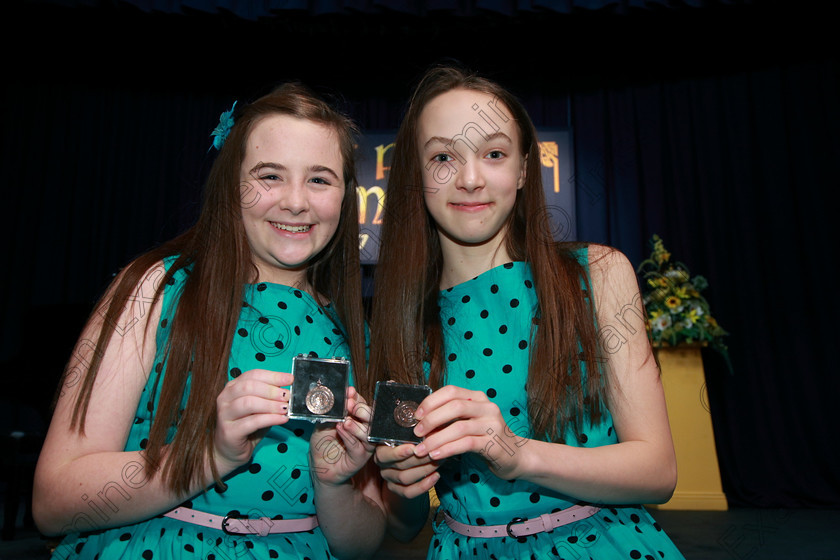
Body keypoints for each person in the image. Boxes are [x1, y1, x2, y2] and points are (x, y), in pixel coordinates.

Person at [33, 83, 385, 559]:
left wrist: (335, 483)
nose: (296, 201)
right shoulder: (156, 290)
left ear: (347, 195)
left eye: (320, 179)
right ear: (230, 184)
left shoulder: (354, 336)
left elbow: (361, 546)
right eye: (270, 176)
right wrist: (207, 457)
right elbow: (54, 503)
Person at [368, 64, 686, 559]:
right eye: (443, 158)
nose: (470, 178)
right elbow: (404, 526)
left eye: (493, 154)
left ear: (521, 169)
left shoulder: (595, 274)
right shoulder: (399, 320)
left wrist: (518, 454)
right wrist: (403, 484)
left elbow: (658, 471)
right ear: (416, 176)